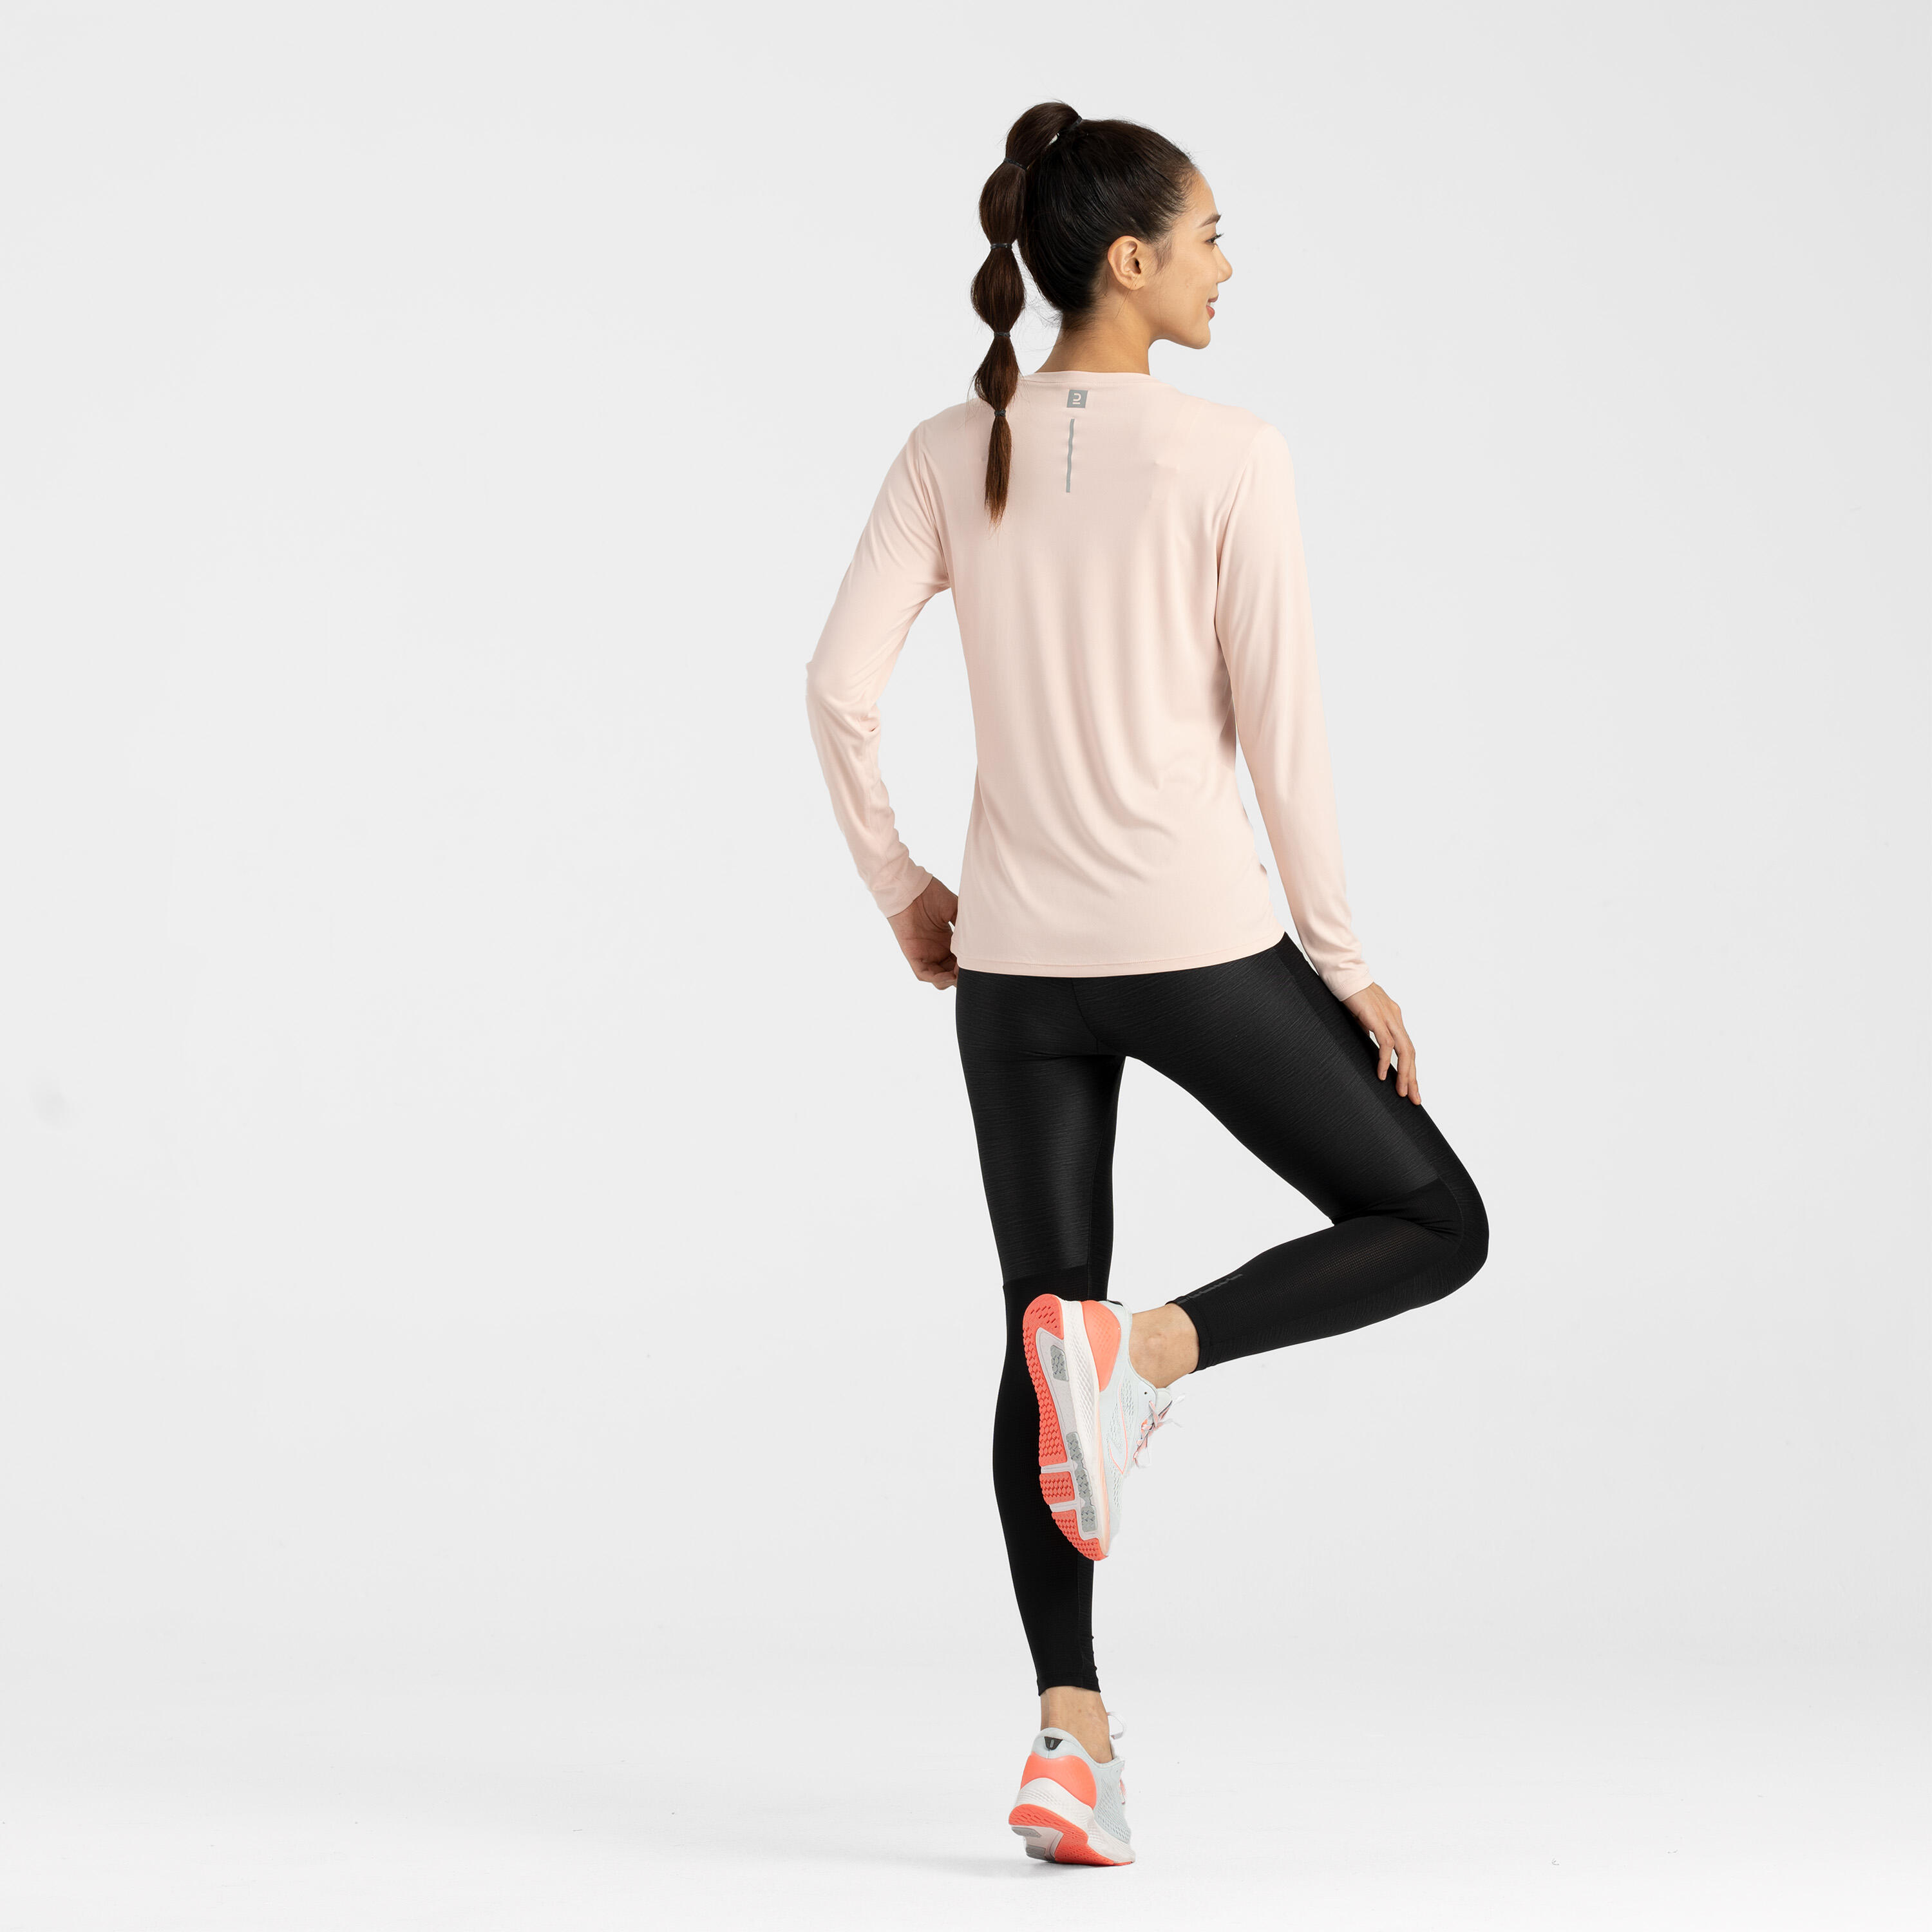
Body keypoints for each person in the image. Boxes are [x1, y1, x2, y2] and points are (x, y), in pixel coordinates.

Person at [803, 100, 1489, 1868]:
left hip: (1016, 975)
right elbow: (1287, 735)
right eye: (1208, 238)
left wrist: (903, 890)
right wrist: (1345, 966)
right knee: (1434, 1220)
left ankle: (1069, 1736)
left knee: (1039, 1328)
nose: (1226, 267)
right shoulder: (1231, 454)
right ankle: (1155, 1350)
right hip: (1195, 950)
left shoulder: (950, 448)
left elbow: (837, 687)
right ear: (1129, 260)